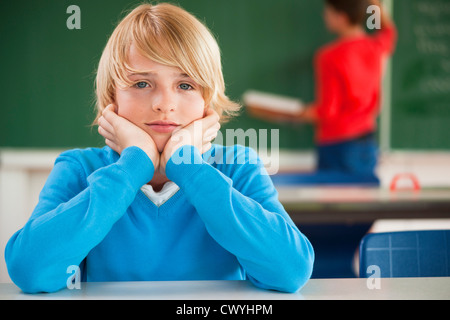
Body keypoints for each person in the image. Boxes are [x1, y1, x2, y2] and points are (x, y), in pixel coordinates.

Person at [4, 3, 314, 294]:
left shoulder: (237, 165)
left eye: (185, 85)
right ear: (112, 97)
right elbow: (30, 270)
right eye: (141, 84)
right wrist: (132, 166)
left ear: (208, 101)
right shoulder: (80, 168)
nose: (164, 104)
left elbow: (290, 271)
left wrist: (189, 167)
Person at [267, 0, 397, 185]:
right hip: (366, 144)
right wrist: (375, 5)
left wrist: (288, 113)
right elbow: (388, 32)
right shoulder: (375, 47)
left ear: (341, 17)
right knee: (364, 206)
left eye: (328, 12)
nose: (324, 16)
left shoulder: (329, 56)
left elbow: (328, 112)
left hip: (338, 145)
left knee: (330, 209)